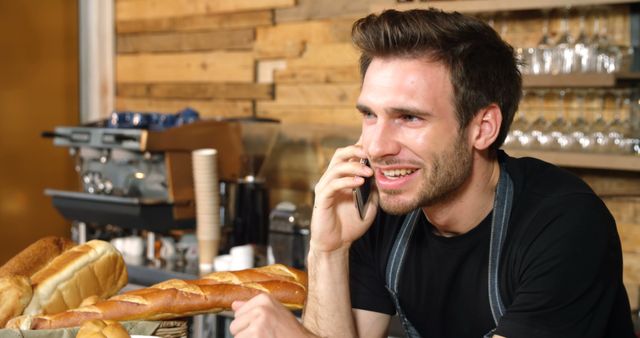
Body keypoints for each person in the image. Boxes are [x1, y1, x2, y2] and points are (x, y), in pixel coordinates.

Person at [229, 8, 636, 338]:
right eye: (370, 115)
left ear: (483, 128)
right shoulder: (382, 208)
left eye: (408, 117)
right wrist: (328, 249)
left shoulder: (564, 223)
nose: (376, 146)